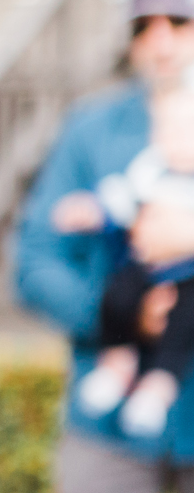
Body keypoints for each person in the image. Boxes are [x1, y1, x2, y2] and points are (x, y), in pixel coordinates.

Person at [17, 0, 194, 493]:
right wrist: (124, 314)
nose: (161, 40)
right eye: (145, 25)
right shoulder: (90, 129)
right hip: (108, 422)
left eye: (180, 21)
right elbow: (36, 260)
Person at [49, 86, 194, 437]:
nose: (174, 141)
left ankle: (158, 388)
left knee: (184, 321)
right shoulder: (150, 171)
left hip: (187, 278)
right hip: (143, 268)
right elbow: (118, 200)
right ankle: (117, 361)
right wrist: (91, 210)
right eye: (166, 130)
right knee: (118, 296)